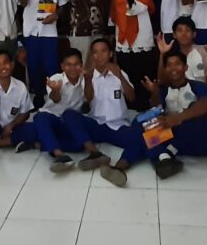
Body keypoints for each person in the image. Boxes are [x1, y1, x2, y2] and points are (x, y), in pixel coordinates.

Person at [61, 38, 146, 187]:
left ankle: (119, 167)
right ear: (91, 55)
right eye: (95, 52)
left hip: (117, 126)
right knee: (69, 115)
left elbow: (132, 97)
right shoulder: (88, 75)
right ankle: (95, 153)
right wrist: (88, 80)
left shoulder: (120, 73)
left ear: (110, 54)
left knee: (144, 137)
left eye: (103, 51)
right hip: (96, 124)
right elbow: (88, 99)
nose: (99, 56)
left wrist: (120, 75)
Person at [139, 51, 207, 178]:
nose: (173, 68)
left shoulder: (198, 86)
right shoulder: (164, 90)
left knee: (195, 114)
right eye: (169, 65)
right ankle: (164, 158)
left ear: (185, 67)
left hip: (197, 140)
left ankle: (163, 155)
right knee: (143, 120)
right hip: (173, 138)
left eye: (177, 64)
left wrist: (178, 118)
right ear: (165, 69)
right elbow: (157, 111)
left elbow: (205, 104)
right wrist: (154, 93)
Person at [17, 0, 68, 101]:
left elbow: (63, 4)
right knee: (34, 66)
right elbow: (22, 5)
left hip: (49, 32)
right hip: (31, 32)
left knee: (52, 66)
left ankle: (54, 97)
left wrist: (56, 15)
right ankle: (38, 96)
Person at [35, 49, 92, 171]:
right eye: (68, 64)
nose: (73, 68)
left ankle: (40, 143)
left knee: (79, 146)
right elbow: (56, 99)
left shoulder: (85, 79)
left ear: (81, 65)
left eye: (76, 64)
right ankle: (60, 155)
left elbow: (89, 98)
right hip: (51, 118)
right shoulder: (56, 78)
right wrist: (55, 89)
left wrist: (88, 79)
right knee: (40, 118)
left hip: (69, 122)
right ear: (62, 66)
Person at [112, 0, 158, 110]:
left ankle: (144, 106)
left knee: (142, 72)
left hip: (141, 36)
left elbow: (141, 7)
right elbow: (115, 10)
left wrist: (130, 0)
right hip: (123, 36)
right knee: (126, 72)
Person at [0, 50, 39, 152]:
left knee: (34, 128)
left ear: (12, 64)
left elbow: (25, 113)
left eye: (5, 62)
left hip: (14, 126)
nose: (3, 67)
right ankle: (15, 141)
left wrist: (11, 125)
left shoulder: (21, 86)